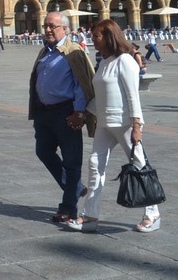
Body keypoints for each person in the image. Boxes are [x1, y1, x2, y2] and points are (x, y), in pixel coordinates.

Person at [67, 19, 161, 233]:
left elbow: (132, 95)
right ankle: (90, 214)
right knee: (94, 165)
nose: (93, 41)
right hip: (104, 123)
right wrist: (83, 114)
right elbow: (101, 97)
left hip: (125, 122)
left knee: (139, 165)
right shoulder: (104, 62)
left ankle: (153, 213)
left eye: (97, 37)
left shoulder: (126, 61)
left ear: (110, 37)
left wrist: (137, 125)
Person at [28, 11, 96, 225]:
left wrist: (79, 113)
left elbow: (82, 85)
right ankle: (75, 188)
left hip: (66, 112)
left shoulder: (73, 52)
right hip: (44, 113)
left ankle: (69, 208)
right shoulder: (45, 52)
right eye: (46, 25)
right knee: (43, 151)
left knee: (71, 162)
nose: (47, 29)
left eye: (52, 26)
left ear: (65, 29)